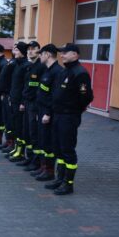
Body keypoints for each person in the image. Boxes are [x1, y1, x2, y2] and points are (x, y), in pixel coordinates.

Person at [48, 43, 93, 195]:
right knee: (58, 148)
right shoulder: (65, 71)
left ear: (75, 54)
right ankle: (60, 179)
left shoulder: (80, 73)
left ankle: (68, 184)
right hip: (58, 115)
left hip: (69, 116)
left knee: (67, 150)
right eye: (61, 53)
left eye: (65, 53)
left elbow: (85, 97)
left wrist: (75, 110)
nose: (62, 55)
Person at [33, 44, 63, 182]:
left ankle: (50, 171)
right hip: (41, 110)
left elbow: (55, 97)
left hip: (48, 113)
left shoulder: (57, 72)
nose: (39, 56)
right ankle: (44, 167)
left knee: (49, 142)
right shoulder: (47, 70)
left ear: (48, 55)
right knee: (42, 140)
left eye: (41, 53)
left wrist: (48, 113)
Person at [19, 41, 45, 171]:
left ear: (39, 50)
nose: (30, 51)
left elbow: (41, 89)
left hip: (35, 104)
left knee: (34, 133)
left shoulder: (41, 67)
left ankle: (36, 162)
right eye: (28, 49)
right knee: (28, 132)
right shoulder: (30, 66)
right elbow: (27, 86)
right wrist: (23, 102)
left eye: (33, 49)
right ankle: (28, 158)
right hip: (28, 102)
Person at [7, 42, 30, 162]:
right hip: (14, 98)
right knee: (15, 125)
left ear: (21, 52)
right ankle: (16, 148)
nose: (14, 52)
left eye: (16, 50)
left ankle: (20, 152)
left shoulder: (26, 65)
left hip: (20, 102)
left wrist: (22, 102)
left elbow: (25, 86)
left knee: (20, 127)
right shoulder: (17, 64)